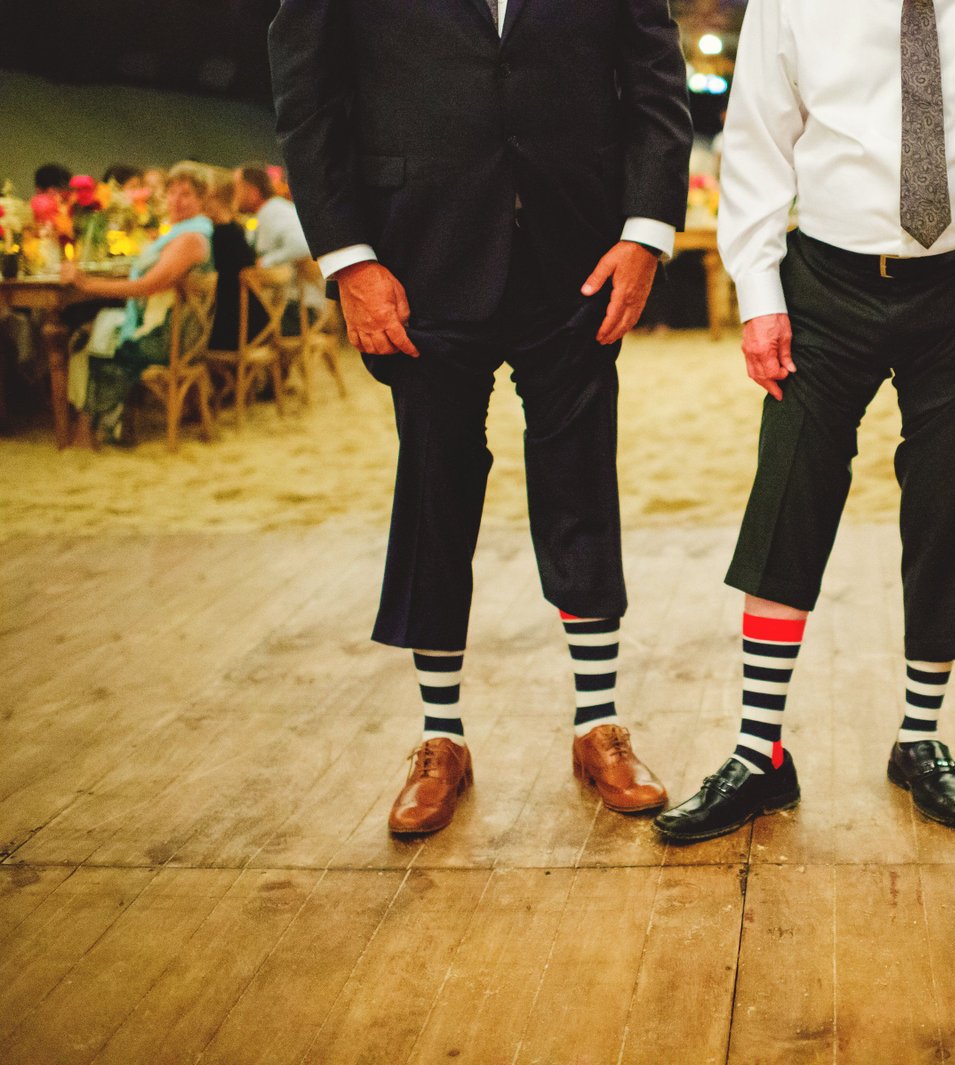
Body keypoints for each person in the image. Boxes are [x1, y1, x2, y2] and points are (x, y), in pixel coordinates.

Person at [269, 0, 693, 835]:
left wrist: (646, 232)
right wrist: (348, 257)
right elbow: (307, 94)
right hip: (415, 257)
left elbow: (655, 81)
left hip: (578, 254)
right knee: (435, 486)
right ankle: (440, 737)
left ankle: (597, 725)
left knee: (580, 483)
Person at [652, 0, 955, 843]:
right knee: (789, 488)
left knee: (948, 494)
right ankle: (757, 751)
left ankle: (920, 739)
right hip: (825, 283)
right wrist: (760, 296)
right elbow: (758, 142)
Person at [60, 162, 215, 446]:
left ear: (202, 200)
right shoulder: (184, 233)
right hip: (175, 328)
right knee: (96, 329)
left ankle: (89, 429)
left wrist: (86, 284)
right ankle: (105, 424)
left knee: (101, 339)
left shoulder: (191, 240)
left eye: (186, 194)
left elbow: (147, 286)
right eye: (172, 193)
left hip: (172, 339)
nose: (176, 201)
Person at [203, 168, 261, 352]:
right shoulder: (237, 229)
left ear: (213, 199)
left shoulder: (217, 235)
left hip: (230, 330)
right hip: (256, 323)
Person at [235, 164, 311, 268]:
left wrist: (265, 262)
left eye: (236, 188)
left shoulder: (275, 212)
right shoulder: (262, 214)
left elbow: (302, 245)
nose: (233, 195)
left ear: (252, 191)